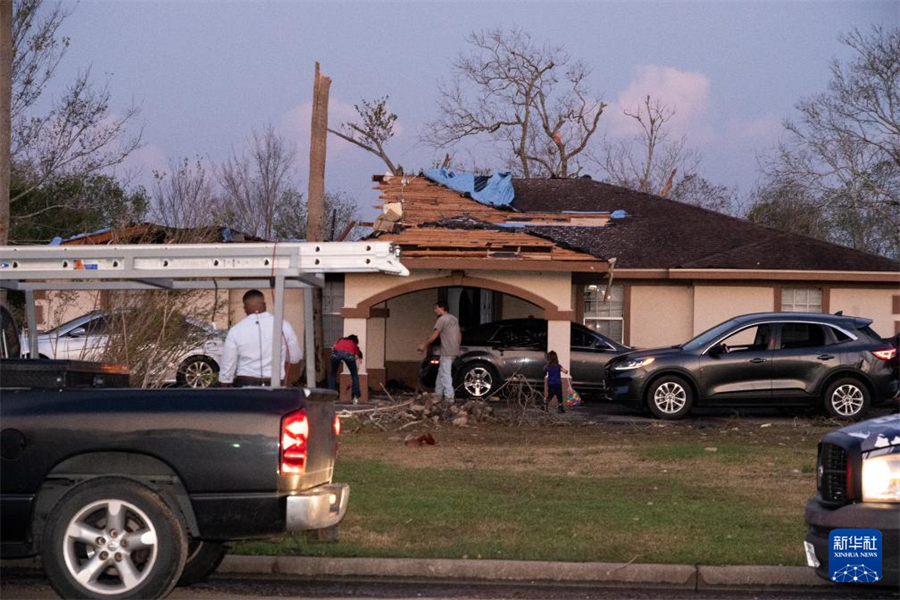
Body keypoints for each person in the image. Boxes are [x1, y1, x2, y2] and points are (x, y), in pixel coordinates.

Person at [218, 290, 302, 387]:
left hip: (245, 383)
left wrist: (225, 387)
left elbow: (228, 364)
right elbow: (295, 357)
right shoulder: (283, 326)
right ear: (265, 305)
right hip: (274, 383)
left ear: (245, 308)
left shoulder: (236, 330)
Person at [417, 301, 461, 401]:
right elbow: (459, 334)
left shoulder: (442, 319)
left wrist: (424, 344)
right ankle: (438, 393)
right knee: (441, 371)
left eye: (436, 308)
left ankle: (449, 397)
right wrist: (457, 347)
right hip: (453, 350)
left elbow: (435, 334)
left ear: (442, 308)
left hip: (446, 350)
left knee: (446, 373)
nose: (435, 310)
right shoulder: (454, 319)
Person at [329, 334, 363, 403]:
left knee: (332, 374)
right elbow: (356, 356)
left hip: (336, 353)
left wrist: (338, 356)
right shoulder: (353, 343)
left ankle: (331, 396)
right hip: (348, 354)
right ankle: (355, 396)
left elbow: (333, 348)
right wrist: (355, 368)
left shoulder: (340, 340)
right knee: (354, 375)